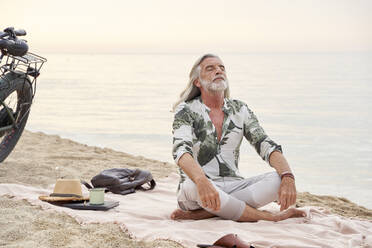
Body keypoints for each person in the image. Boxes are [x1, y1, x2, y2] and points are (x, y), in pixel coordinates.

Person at [170, 54, 305, 222]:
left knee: (278, 179)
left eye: (221, 68)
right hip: (197, 188)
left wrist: (288, 177)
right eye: (210, 68)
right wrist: (202, 180)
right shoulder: (186, 110)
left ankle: (207, 213)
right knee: (191, 186)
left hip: (234, 185)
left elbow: (264, 143)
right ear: (197, 82)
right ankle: (272, 218)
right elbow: (181, 151)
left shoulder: (240, 109)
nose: (218, 71)